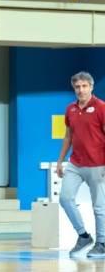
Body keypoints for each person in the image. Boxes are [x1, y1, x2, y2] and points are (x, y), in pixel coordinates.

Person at [56, 71, 105, 258]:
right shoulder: (70, 109)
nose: (81, 90)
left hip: (98, 164)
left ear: (91, 87)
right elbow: (68, 136)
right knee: (65, 198)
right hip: (75, 164)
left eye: (84, 86)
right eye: (77, 87)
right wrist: (60, 161)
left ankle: (102, 243)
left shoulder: (101, 108)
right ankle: (84, 236)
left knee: (99, 207)